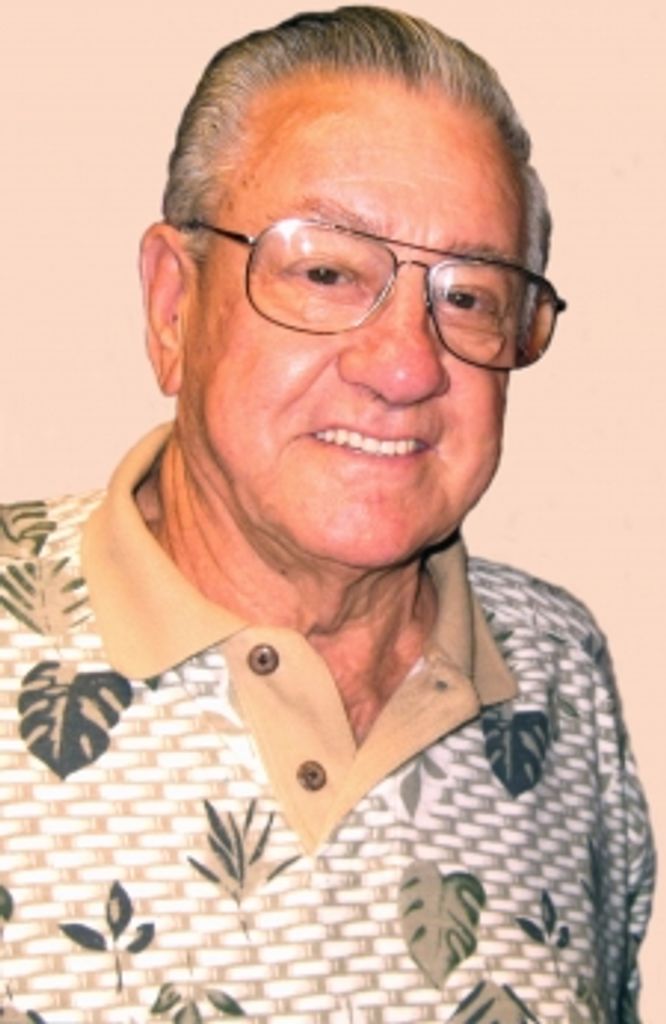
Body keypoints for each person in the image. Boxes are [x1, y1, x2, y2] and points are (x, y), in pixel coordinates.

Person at [0, 6, 654, 1022]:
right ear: (174, 307)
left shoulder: (556, 673)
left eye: (469, 296)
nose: (405, 366)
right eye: (327, 272)